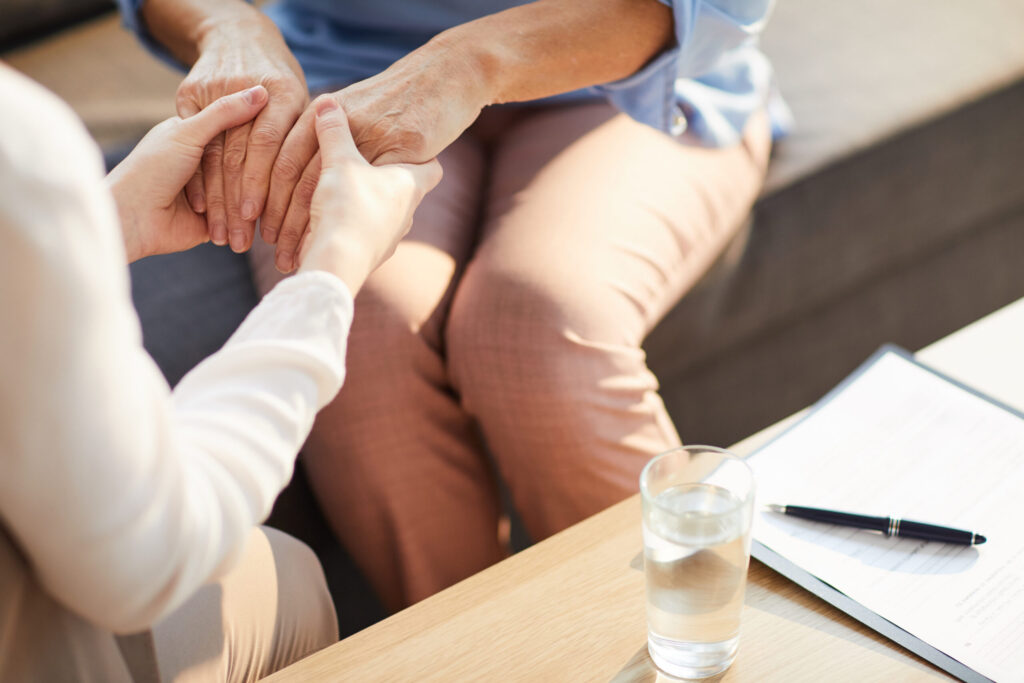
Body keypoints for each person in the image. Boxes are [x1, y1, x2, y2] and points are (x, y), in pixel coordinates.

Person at [121, 0, 783, 611]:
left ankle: (695, 644)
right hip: (351, 78)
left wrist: (465, 62)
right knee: (355, 330)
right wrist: (228, 27)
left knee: (537, 329)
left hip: (625, 84)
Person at [0, 64, 440, 681]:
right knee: (283, 585)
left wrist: (103, 222)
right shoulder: (20, 143)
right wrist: (332, 269)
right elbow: (146, 560)